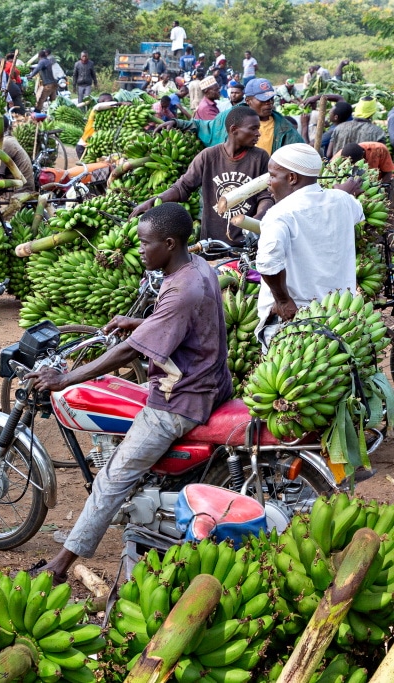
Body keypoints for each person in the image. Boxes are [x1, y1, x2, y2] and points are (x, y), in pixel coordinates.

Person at [27, 202, 232, 582]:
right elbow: (183, 322)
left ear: (169, 243)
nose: (139, 249)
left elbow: (129, 351)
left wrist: (67, 378)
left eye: (145, 243)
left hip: (180, 399)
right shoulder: (198, 267)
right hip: (210, 382)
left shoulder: (180, 289)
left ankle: (59, 566)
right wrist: (138, 321)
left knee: (112, 478)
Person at [255, 143, 361, 346]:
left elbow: (268, 263)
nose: (268, 182)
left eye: (273, 175)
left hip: (297, 320)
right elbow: (356, 212)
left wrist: (283, 300)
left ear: (292, 178)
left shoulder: (279, 214)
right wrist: (340, 192)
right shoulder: (343, 201)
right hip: (340, 315)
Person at [134, 107, 273, 244]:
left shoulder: (259, 158)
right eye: (253, 128)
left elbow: (265, 196)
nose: (258, 133)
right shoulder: (208, 156)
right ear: (234, 129)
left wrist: (256, 221)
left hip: (246, 242)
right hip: (212, 242)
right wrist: (153, 201)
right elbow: (183, 187)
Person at [165, 78, 304, 155]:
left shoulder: (283, 128)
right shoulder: (231, 116)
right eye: (263, 100)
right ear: (248, 101)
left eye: (271, 99)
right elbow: (205, 126)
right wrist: (176, 123)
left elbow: (300, 152)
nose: (269, 104)